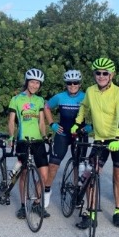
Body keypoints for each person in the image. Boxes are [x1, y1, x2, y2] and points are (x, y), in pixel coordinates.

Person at [72, 58, 119, 228]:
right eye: (98, 73)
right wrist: (77, 122)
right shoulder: (90, 91)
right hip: (99, 138)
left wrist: (118, 138)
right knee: (91, 173)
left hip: (118, 138)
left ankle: (118, 211)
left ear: (111, 75)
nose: (101, 76)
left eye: (105, 73)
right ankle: (91, 213)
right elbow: (84, 107)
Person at [43, 70, 90, 208]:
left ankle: (77, 193)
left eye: (75, 83)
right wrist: (52, 124)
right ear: (66, 84)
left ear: (80, 84)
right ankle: (47, 192)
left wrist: (89, 128)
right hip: (63, 134)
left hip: (79, 134)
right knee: (53, 165)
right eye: (69, 83)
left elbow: (99, 113)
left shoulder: (86, 97)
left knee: (78, 166)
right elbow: (46, 107)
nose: (72, 85)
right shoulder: (60, 97)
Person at [8, 68, 50, 219]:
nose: (34, 85)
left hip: (38, 141)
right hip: (22, 141)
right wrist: (11, 137)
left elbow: (41, 122)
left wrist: (45, 136)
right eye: (32, 82)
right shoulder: (16, 99)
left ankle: (37, 203)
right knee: (24, 173)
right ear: (27, 82)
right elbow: (12, 121)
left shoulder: (39, 100)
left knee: (44, 175)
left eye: (37, 83)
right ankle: (23, 205)